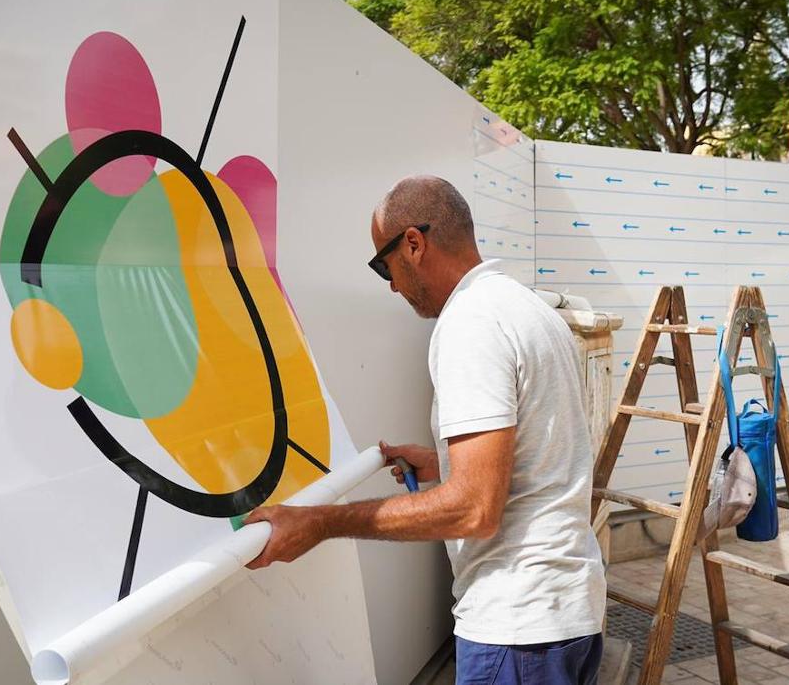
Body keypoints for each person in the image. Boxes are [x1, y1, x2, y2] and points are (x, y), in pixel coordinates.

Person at [245, 175, 606, 684]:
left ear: (413, 243)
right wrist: (443, 461)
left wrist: (320, 523)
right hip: (568, 615)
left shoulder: (470, 325)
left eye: (382, 265)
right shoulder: (528, 309)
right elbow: (541, 446)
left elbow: (474, 509)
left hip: (516, 627)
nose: (390, 284)